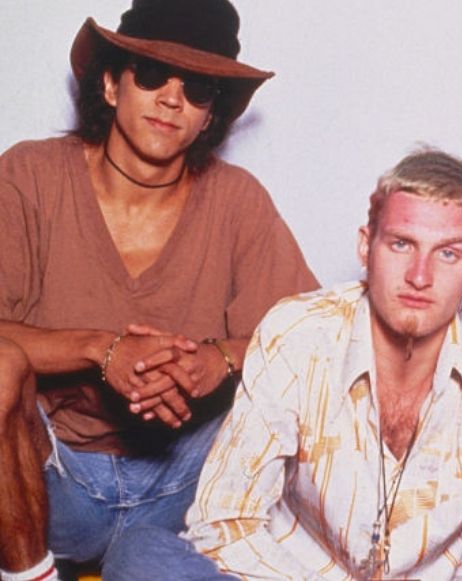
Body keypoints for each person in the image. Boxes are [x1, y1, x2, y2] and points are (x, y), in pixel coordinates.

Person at [110, 149, 462, 580]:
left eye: (447, 253)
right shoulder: (298, 333)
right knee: (140, 555)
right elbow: (223, 521)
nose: (420, 276)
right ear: (366, 245)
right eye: (401, 244)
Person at [0, 0, 318, 579]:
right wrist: (102, 349)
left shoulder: (237, 199)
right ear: (110, 84)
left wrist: (219, 359)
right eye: (151, 75)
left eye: (197, 89)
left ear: (209, 115)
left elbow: (318, 340)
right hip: (54, 483)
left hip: (189, 485)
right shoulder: (31, 175)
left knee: (319, 388)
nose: (172, 99)